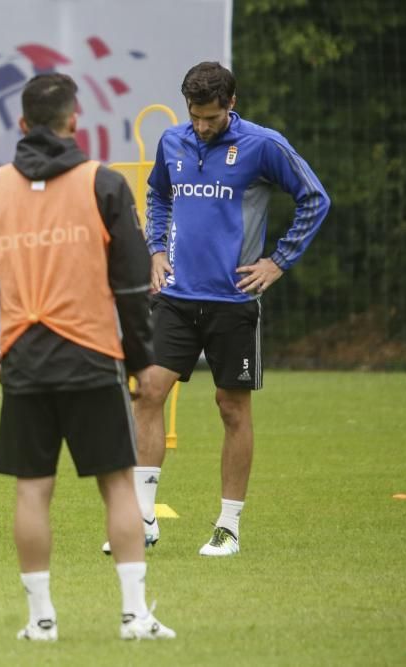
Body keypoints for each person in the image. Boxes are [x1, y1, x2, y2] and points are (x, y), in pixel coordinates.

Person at [0, 73, 175, 642]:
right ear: (74, 120)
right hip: (94, 355)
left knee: (32, 489)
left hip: (24, 360)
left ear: (22, 125)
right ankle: (134, 616)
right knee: (118, 486)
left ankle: (41, 621)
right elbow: (130, 283)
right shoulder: (102, 184)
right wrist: (139, 357)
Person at [118, 61, 330, 557]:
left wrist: (277, 262)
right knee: (147, 390)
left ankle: (228, 526)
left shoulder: (263, 145)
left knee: (231, 408)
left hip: (233, 301)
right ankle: (142, 518)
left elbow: (314, 199)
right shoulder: (173, 141)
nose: (201, 126)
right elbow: (158, 196)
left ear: (231, 105)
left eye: (210, 117)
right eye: (195, 115)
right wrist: (156, 250)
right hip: (175, 296)